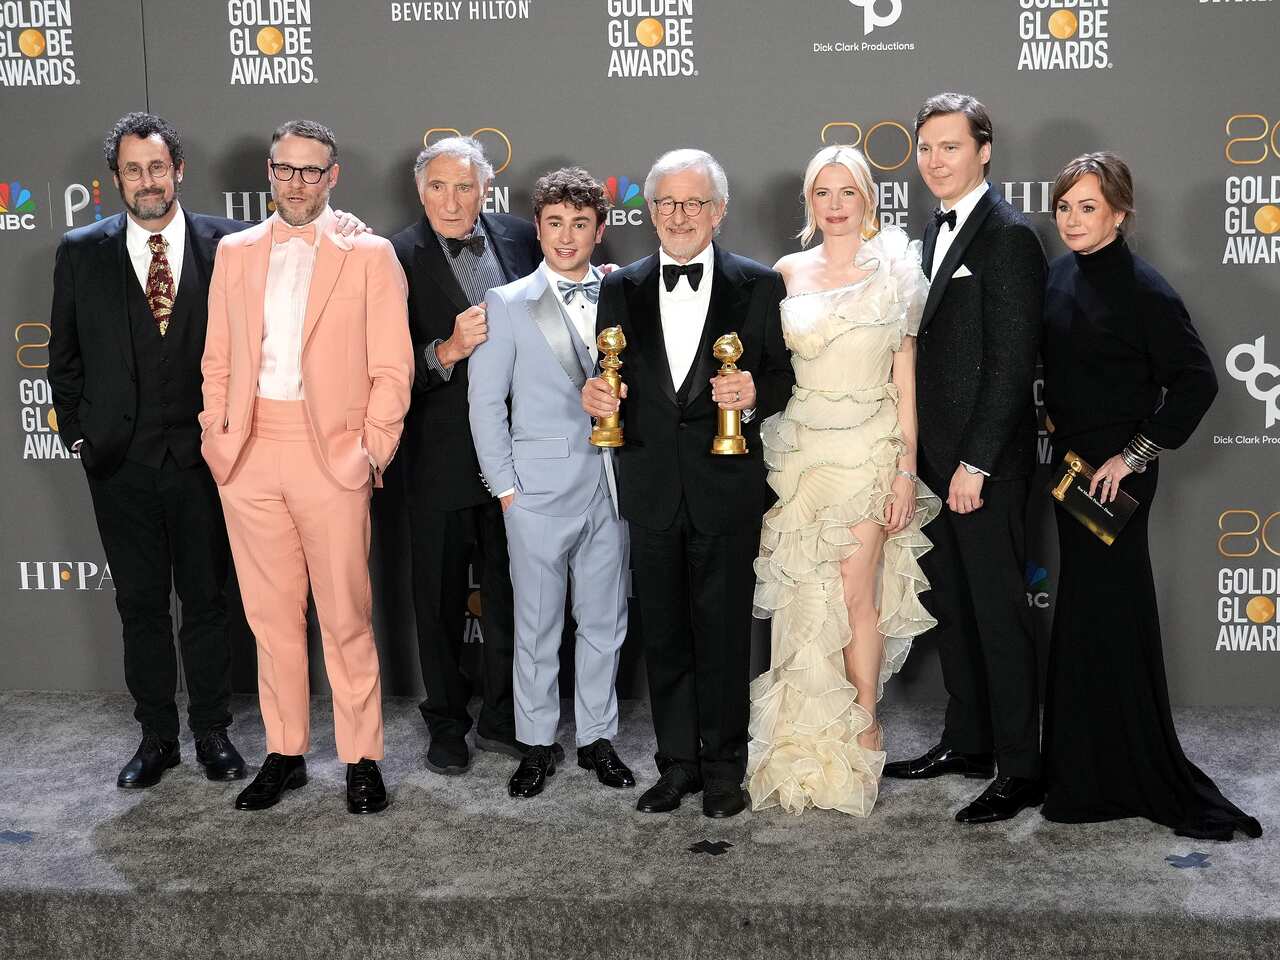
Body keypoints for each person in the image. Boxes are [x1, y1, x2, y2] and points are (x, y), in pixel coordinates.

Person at [1040, 152, 1261, 841]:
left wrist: (1133, 455)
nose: (1073, 220)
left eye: (1088, 208)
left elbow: (1197, 381)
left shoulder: (1146, 289)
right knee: (1081, 617)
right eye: (1065, 207)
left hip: (1115, 481)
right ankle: (1081, 773)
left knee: (1113, 612)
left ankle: (1127, 771)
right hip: (1070, 472)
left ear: (1120, 213)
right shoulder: (1058, 275)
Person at [200, 119, 413, 814]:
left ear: (333, 176)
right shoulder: (234, 252)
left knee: (346, 618)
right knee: (271, 619)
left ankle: (361, 757)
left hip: (332, 456)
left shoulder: (370, 254)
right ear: (269, 171)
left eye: (310, 171)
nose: (296, 182)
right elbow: (218, 359)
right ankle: (285, 753)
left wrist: (371, 449)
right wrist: (218, 438)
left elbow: (392, 367)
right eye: (285, 169)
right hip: (249, 453)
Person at [582, 148, 793, 818]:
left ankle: (725, 767)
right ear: (649, 209)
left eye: (694, 203)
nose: (679, 215)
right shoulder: (620, 286)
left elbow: (785, 378)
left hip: (726, 486)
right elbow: (609, 375)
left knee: (725, 636)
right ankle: (676, 765)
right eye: (666, 202)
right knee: (667, 635)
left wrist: (755, 391)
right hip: (649, 485)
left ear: (719, 211)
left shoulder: (759, 285)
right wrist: (597, 398)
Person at [48, 112, 249, 790]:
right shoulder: (81, 250)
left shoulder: (232, 243)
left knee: (207, 601)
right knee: (140, 605)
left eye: (157, 167)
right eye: (132, 170)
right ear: (115, 180)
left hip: (205, 462)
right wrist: (80, 434)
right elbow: (64, 359)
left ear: (178, 170)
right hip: (122, 465)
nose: (146, 181)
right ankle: (158, 736)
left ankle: (213, 731)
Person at [747, 146, 939, 817]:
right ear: (810, 202)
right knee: (804, 594)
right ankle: (800, 738)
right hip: (801, 452)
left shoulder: (895, 272)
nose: (834, 205)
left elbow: (905, 386)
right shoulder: (785, 272)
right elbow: (769, 372)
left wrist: (905, 470)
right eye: (822, 193)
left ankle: (862, 729)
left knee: (856, 591)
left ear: (866, 198)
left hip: (869, 448)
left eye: (846, 192)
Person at [883, 93, 1047, 825]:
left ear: (984, 150)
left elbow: (1014, 363)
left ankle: (1021, 767)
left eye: (950, 146)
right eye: (926, 148)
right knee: (954, 611)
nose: (936, 161)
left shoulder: (1008, 236)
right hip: (933, 467)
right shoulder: (926, 235)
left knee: (1000, 616)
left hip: (983, 470)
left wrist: (976, 464)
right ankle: (968, 740)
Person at [468, 167, 634, 799]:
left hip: (613, 486)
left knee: (605, 621)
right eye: (555, 223)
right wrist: (506, 491)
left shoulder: (625, 294)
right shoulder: (506, 305)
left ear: (600, 228)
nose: (567, 238)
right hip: (534, 491)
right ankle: (536, 743)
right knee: (536, 626)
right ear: (536, 227)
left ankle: (597, 736)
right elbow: (486, 406)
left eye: (581, 224)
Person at [389, 137, 542, 776]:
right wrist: (446, 350)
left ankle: (504, 718)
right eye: (438, 187)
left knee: (513, 593)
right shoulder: (392, 256)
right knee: (441, 599)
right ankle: (446, 722)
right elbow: (381, 366)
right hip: (438, 458)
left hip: (515, 454)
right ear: (421, 191)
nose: (451, 201)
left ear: (486, 189)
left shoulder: (519, 238)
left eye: (464, 187)